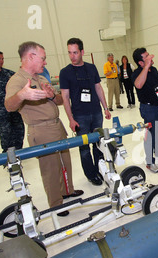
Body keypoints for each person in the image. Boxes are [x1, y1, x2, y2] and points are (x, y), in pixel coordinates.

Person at [5, 41, 83, 216]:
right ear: (31, 56)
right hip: (41, 130)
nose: (45, 62)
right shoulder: (17, 80)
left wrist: (52, 96)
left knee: (65, 162)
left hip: (57, 125)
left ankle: (67, 191)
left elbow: (60, 101)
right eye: (43, 58)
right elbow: (9, 105)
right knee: (50, 169)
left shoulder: (40, 78)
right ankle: (56, 204)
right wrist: (21, 95)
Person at [59, 38, 111, 187]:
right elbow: (65, 97)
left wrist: (105, 108)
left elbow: (98, 88)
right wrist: (70, 119)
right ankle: (91, 174)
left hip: (96, 113)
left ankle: (100, 169)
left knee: (98, 143)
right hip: (79, 116)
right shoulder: (65, 72)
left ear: (82, 52)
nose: (72, 56)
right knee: (84, 147)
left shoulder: (91, 68)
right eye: (69, 53)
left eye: (75, 52)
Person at [131, 48, 158, 173]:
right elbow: (138, 85)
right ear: (140, 62)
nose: (150, 58)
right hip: (148, 108)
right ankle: (149, 161)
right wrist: (145, 67)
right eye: (146, 57)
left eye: (149, 55)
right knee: (150, 135)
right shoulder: (137, 73)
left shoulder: (153, 70)